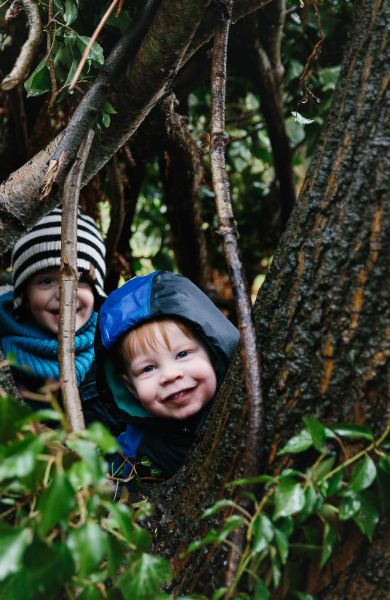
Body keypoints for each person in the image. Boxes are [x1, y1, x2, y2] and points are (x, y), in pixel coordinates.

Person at [97, 270, 240, 481]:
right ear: (129, 386)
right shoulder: (132, 453)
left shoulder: (242, 401)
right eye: (148, 369)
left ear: (212, 351)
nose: (170, 375)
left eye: (183, 354)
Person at [0, 207, 117, 430]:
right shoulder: (6, 358)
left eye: (79, 279)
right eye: (46, 281)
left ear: (96, 291)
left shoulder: (113, 351)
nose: (65, 292)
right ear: (24, 296)